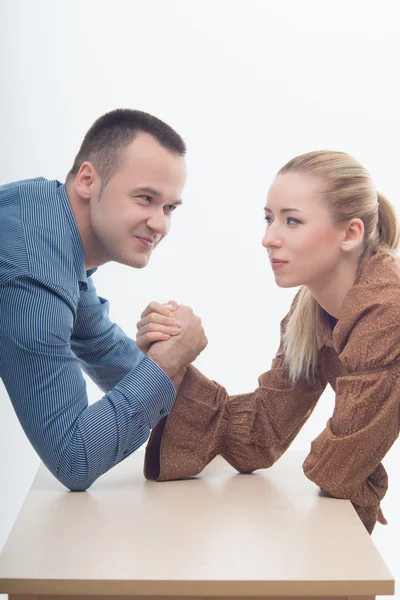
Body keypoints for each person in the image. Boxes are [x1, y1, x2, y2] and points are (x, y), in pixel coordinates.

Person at [136, 150, 400, 534]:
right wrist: (171, 365)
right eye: (268, 218)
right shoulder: (309, 311)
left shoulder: (387, 309)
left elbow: (342, 464)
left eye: (292, 221)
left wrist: (354, 466)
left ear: (351, 234)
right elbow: (259, 433)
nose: (267, 239)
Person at [0, 109, 207, 491]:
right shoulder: (32, 269)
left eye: (169, 208)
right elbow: (74, 456)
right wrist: (163, 364)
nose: (161, 224)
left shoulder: (46, 220)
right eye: (145, 198)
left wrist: (163, 361)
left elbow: (101, 345)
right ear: (87, 180)